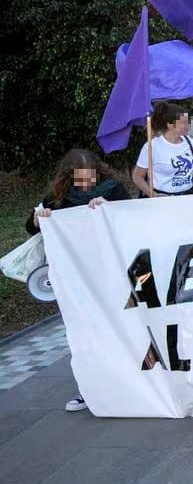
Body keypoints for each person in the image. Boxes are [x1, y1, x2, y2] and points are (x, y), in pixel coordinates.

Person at [27, 149, 129, 412]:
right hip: (77, 278)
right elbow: (33, 223)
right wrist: (39, 219)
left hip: (109, 272)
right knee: (85, 334)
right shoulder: (59, 197)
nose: (85, 185)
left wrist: (109, 210)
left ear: (98, 172)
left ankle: (127, 384)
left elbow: (131, 217)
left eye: (89, 178)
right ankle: (91, 389)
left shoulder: (112, 189)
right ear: (68, 177)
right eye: (79, 180)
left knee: (119, 329)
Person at [132, 102, 193, 198]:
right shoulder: (152, 147)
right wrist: (153, 195)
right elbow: (137, 177)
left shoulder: (189, 141)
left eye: (187, 121)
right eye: (183, 122)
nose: (187, 125)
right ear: (170, 125)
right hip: (162, 198)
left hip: (187, 196)